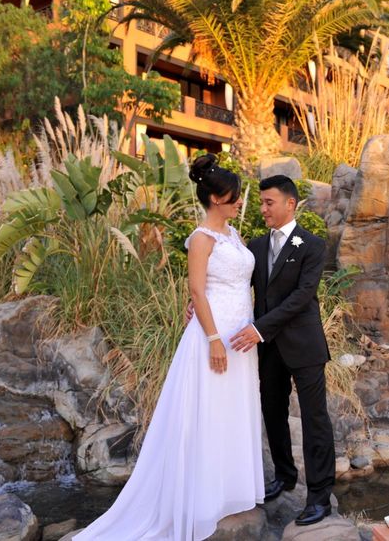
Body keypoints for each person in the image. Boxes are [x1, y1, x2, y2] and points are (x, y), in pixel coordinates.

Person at [75, 154, 265, 540]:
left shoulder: (233, 235)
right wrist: (212, 338)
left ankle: (231, 489)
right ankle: (203, 497)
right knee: (209, 410)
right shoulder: (201, 238)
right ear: (215, 199)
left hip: (239, 334)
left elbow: (228, 284)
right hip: (214, 336)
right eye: (234, 197)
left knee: (232, 407)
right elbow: (197, 288)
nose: (240, 202)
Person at [227, 174, 336, 526]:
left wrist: (259, 328)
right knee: (272, 414)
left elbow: (302, 297)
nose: (262, 209)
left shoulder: (313, 245)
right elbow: (234, 287)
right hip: (269, 348)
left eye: (268, 202)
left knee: (314, 419)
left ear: (290, 203)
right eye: (260, 202)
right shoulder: (255, 247)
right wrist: (198, 305)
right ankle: (284, 476)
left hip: (304, 345)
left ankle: (320, 498)